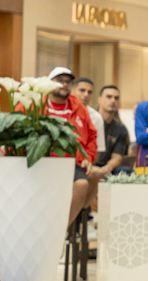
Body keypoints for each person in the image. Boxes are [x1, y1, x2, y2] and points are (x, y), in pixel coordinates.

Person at [38, 67, 98, 229]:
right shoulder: (36, 102)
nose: (64, 85)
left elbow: (92, 136)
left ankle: (60, 228)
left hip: (70, 163)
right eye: (60, 81)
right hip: (40, 162)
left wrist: (87, 158)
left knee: (82, 184)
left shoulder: (78, 107)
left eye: (68, 82)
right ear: (49, 83)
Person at [97, 85, 133, 176]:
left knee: (127, 171)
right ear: (99, 100)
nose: (113, 100)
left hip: (107, 166)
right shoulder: (89, 120)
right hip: (88, 164)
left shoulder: (121, 129)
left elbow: (117, 157)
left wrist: (108, 167)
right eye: (109, 97)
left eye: (116, 98)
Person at [72, 77, 106, 160]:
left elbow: (97, 151)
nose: (86, 94)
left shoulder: (96, 117)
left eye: (89, 92)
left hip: (83, 164)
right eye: (82, 90)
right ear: (72, 91)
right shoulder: (64, 110)